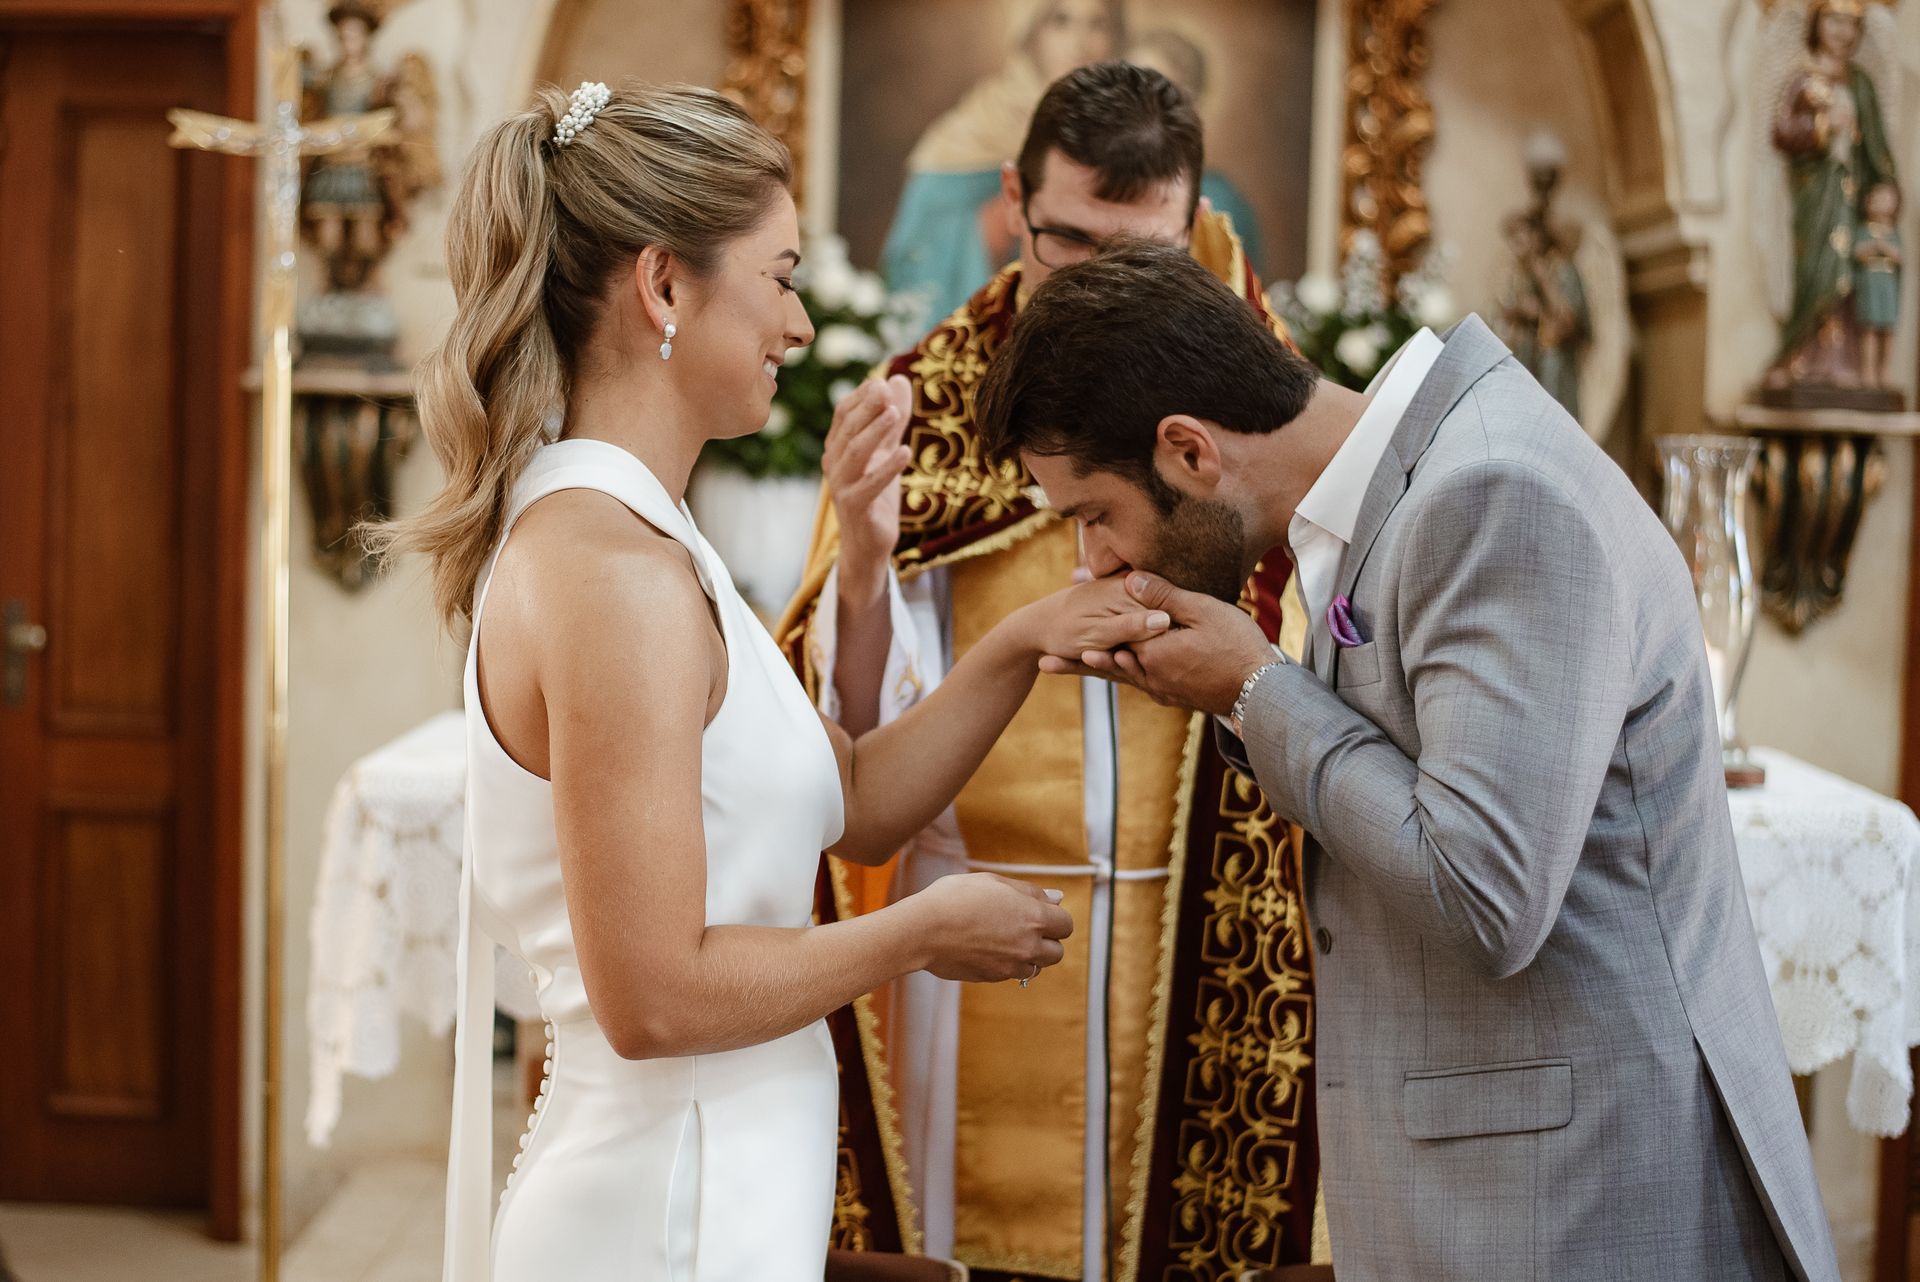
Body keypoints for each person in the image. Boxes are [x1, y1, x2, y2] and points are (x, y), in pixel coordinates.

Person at [375, 80, 1166, 1282]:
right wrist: (919, 931)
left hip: (716, 1187)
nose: (798, 326)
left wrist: (1023, 640)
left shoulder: (654, 542)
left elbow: (853, 796)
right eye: (782, 277)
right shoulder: (614, 576)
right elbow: (655, 997)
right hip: (661, 1212)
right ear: (664, 287)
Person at [978, 240, 1843, 1282]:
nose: (1094, 561)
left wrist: (1252, 688)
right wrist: (1238, 692)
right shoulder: (1406, 484)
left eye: (1093, 516)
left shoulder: (1493, 491)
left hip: (1581, 1196)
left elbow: (1485, 893)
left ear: (1190, 451)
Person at [780, 64, 1317, 1280]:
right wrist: (862, 566)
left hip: (1202, 944)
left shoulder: (1254, 405)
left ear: (1197, 227)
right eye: (1069, 245)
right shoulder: (919, 410)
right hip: (969, 944)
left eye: (1144, 258)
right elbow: (845, 747)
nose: (1099, 291)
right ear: (1014, 202)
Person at [880, 0, 1123, 323]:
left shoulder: (1129, 127)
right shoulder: (982, 122)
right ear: (1031, 35)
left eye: (1097, 24)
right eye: (1061, 22)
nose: (1081, 42)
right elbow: (916, 248)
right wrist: (993, 223)